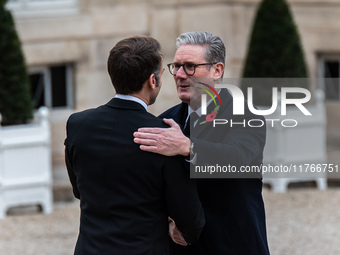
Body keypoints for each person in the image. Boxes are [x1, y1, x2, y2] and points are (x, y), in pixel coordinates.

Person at [64, 36, 205, 255]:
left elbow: (78, 189)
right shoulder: (164, 135)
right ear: (152, 80)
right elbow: (191, 219)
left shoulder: (77, 124)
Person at [133, 32, 270, 255]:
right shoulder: (165, 121)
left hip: (233, 244)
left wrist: (188, 147)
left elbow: (238, 158)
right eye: (176, 66)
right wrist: (169, 221)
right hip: (180, 246)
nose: (179, 74)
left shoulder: (244, 114)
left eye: (189, 67)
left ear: (217, 70)